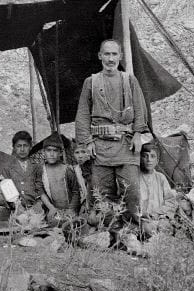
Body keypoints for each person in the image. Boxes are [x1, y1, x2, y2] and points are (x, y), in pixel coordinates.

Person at [75, 38, 150, 225]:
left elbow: (140, 110)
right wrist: (87, 142)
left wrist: (139, 134)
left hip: (126, 144)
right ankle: (107, 229)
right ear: (100, 56)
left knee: (131, 190)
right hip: (100, 147)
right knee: (101, 192)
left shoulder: (130, 80)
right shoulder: (90, 82)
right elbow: (83, 115)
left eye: (114, 54)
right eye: (106, 54)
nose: (110, 58)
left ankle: (133, 228)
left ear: (120, 56)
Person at [35, 133, 84, 224]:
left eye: (55, 151)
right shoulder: (42, 170)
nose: (52, 154)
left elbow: (76, 192)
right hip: (54, 209)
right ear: (43, 152)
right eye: (48, 150)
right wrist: (51, 208)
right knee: (52, 226)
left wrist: (71, 209)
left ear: (61, 153)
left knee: (72, 226)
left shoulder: (67, 170)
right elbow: (40, 191)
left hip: (70, 209)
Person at [138, 141, 178, 239]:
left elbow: (170, 201)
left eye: (152, 156)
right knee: (148, 229)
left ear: (157, 160)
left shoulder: (160, 178)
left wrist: (159, 214)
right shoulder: (136, 177)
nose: (149, 160)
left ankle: (160, 243)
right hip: (143, 219)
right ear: (139, 158)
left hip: (160, 217)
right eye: (145, 156)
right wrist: (144, 215)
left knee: (166, 228)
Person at [0, 130, 39, 209]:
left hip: (34, 207)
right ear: (14, 147)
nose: (22, 149)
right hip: (14, 207)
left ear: (30, 147)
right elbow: (5, 188)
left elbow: (40, 190)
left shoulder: (37, 167)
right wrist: (16, 205)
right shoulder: (7, 168)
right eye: (19, 146)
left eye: (25, 146)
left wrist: (38, 205)